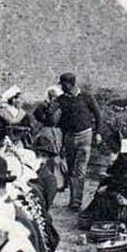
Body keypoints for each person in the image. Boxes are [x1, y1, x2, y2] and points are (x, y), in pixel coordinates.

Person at [53, 73, 102, 211]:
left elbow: (98, 115)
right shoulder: (61, 100)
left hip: (85, 135)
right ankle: (73, 199)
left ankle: (76, 201)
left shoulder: (86, 97)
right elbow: (50, 117)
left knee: (80, 170)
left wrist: (98, 133)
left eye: (63, 84)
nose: (61, 87)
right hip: (69, 137)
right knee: (70, 169)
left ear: (71, 84)